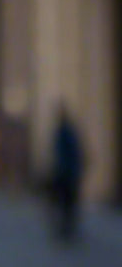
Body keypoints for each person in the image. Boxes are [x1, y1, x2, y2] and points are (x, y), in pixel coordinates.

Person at [48, 101, 85, 241]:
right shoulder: (66, 132)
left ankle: (66, 230)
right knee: (66, 204)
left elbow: (66, 154)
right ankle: (66, 229)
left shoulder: (64, 132)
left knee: (65, 204)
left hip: (66, 173)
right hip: (68, 173)